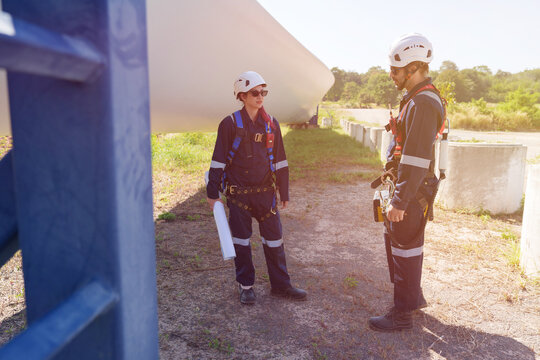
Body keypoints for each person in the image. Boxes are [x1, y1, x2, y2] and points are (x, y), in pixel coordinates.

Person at [206, 71, 307, 305]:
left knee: (275, 241)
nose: (260, 96)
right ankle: (246, 286)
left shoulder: (271, 124)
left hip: (266, 195)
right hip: (239, 196)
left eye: (263, 92)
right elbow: (218, 160)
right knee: (241, 242)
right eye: (255, 92)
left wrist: (284, 190)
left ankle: (281, 285)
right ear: (242, 95)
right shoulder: (229, 124)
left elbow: (281, 160)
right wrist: (213, 194)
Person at [369, 33, 445, 331]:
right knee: (400, 244)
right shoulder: (416, 98)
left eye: (396, 70)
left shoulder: (423, 103)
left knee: (405, 248)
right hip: (409, 187)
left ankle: (402, 316)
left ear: (413, 69)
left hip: (413, 192)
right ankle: (414, 299)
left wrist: (399, 202)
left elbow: (415, 159)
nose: (391, 75)